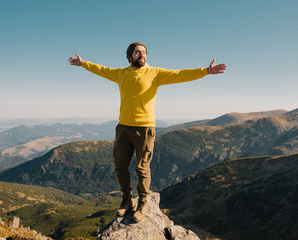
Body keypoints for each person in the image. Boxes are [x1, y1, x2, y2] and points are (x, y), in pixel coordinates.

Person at [69, 42, 226, 223]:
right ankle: (127, 200)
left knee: (142, 168)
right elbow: (102, 69)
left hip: (145, 129)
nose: (142, 55)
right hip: (123, 128)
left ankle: (142, 203)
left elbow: (180, 74)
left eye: (144, 52)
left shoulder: (155, 74)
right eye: (138, 52)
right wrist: (84, 64)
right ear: (130, 57)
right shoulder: (121, 73)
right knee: (120, 166)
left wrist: (205, 71)